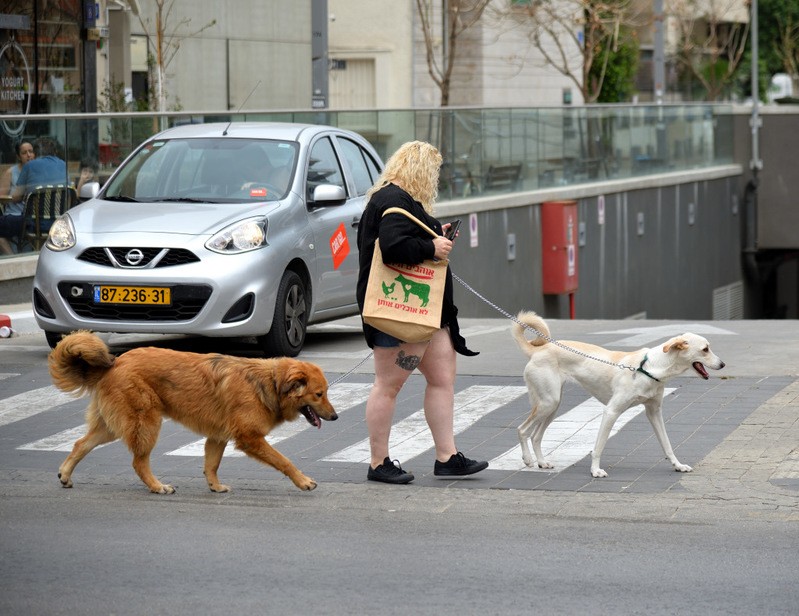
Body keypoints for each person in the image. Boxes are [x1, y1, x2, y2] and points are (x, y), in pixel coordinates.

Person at [356, 140, 489, 484]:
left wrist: (436, 233)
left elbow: (404, 235)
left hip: (426, 315)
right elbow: (393, 247)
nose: (435, 180)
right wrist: (432, 246)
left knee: (442, 379)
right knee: (388, 385)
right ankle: (378, 462)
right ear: (421, 170)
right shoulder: (392, 200)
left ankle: (447, 457)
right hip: (400, 313)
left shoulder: (401, 201)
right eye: (434, 172)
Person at [0, 140, 35, 255]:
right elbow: (1, 198)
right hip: (14, 215)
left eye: (31, 151)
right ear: (18, 156)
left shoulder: (38, 171)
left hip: (34, 218)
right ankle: (12, 258)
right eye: (24, 153)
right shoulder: (11, 172)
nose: (29, 155)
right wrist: (15, 197)